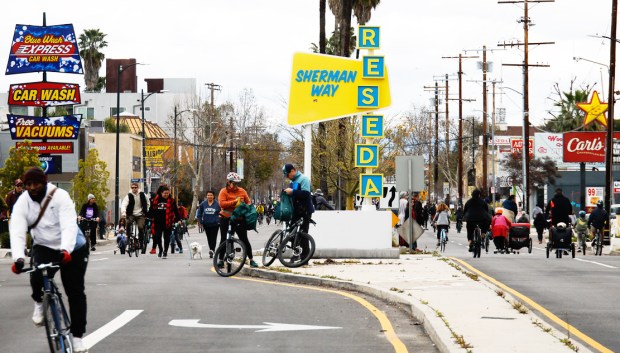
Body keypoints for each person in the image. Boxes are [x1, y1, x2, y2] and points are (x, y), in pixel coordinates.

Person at [9, 167, 90, 353]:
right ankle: (39, 303)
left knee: (75, 292)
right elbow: (17, 230)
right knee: (36, 277)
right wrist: (18, 258)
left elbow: (69, 225)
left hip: (72, 248)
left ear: (44, 183)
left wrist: (66, 250)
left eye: (36, 183)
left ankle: (77, 338)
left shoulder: (60, 196)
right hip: (44, 245)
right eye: (28, 184)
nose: (32, 188)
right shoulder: (23, 202)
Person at [218, 172, 257, 268]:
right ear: (229, 182)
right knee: (224, 239)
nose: (236, 186)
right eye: (234, 183)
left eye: (237, 184)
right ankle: (220, 260)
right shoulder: (223, 191)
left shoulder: (242, 191)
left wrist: (245, 206)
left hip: (239, 219)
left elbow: (248, 203)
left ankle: (251, 259)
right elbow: (222, 204)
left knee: (244, 239)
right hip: (226, 218)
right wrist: (234, 202)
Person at [283, 164, 315, 258]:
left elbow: (306, 194)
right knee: (292, 234)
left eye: (287, 174)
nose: (287, 176)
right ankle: (296, 254)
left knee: (303, 234)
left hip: (305, 211)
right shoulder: (293, 181)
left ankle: (305, 258)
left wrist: (292, 192)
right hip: (296, 210)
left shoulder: (303, 179)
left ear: (293, 170)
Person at [148, 184, 181, 259]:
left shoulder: (171, 201)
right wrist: (149, 216)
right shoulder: (155, 200)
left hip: (167, 222)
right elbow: (151, 209)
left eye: (167, 193)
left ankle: (165, 251)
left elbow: (176, 210)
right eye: (164, 193)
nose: (166, 195)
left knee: (166, 237)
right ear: (161, 193)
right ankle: (160, 249)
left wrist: (179, 219)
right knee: (157, 236)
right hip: (157, 222)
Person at [121, 182, 150, 254]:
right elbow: (124, 204)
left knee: (140, 227)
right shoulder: (129, 195)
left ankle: (141, 241)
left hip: (140, 214)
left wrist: (146, 211)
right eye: (132, 187)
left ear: (138, 188)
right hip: (131, 214)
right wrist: (123, 212)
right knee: (128, 223)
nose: (134, 189)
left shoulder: (143, 194)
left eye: (135, 187)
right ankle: (128, 237)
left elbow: (148, 203)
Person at [197, 190, 221, 258]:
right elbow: (199, 213)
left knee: (214, 237)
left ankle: (212, 250)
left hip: (215, 224)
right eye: (208, 195)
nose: (209, 196)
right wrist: (200, 221)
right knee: (209, 237)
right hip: (206, 224)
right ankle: (211, 249)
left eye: (211, 195)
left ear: (213, 196)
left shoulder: (217, 204)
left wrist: (219, 220)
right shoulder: (203, 204)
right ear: (206, 196)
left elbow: (221, 212)